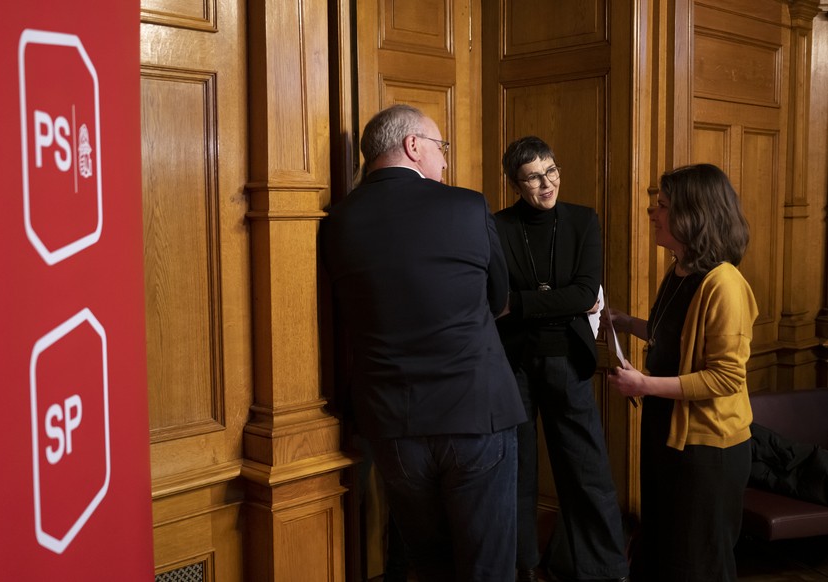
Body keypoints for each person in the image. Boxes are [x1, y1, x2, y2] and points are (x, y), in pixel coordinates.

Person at [320, 103, 526, 582]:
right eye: (441, 148)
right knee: (488, 567)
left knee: (429, 565)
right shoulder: (467, 205)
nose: (445, 162)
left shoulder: (336, 222)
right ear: (413, 145)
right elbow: (500, 299)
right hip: (476, 413)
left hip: (393, 424)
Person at [605, 163, 758, 581]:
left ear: (694, 215)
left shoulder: (724, 284)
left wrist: (644, 384)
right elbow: (673, 337)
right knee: (663, 554)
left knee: (697, 564)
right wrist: (627, 323)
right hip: (668, 436)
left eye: (663, 206)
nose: (653, 214)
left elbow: (725, 377)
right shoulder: (679, 269)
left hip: (708, 451)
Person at [494, 136, 630, 582]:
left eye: (551, 171)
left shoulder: (582, 221)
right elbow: (495, 299)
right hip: (512, 363)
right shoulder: (498, 227)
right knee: (516, 472)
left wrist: (524, 302)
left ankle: (605, 570)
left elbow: (586, 294)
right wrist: (553, 298)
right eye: (533, 177)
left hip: (567, 360)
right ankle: (522, 567)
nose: (547, 183)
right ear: (516, 184)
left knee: (586, 470)